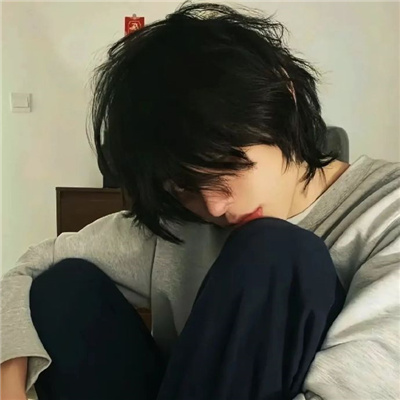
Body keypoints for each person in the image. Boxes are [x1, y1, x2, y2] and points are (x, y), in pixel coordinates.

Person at [1, 2, 399, 400]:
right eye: (185, 186)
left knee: (275, 252)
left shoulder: (386, 209)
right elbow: (27, 269)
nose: (213, 208)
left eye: (226, 169)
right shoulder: (182, 224)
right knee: (62, 289)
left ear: (285, 100)